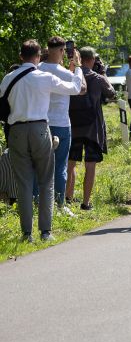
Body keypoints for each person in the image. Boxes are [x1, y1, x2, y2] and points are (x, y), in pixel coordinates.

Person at [1, 40, 85, 242]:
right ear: (39, 56)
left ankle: (26, 234)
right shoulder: (45, 77)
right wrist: (78, 66)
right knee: (47, 180)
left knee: (23, 183)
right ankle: (45, 232)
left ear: (21, 56)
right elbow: (75, 87)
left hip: (16, 132)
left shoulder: (8, 78)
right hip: (40, 129)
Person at [66, 47, 116, 211]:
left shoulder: (71, 75)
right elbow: (111, 93)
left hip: (72, 126)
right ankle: (86, 203)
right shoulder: (98, 78)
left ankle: (68, 199)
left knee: (70, 164)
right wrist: (104, 73)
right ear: (92, 59)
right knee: (90, 165)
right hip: (92, 129)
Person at [38, 36, 82, 215]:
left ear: (47, 50)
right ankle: (59, 205)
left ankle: (36, 203)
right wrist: (77, 67)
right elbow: (79, 87)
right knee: (60, 167)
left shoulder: (37, 69)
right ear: (63, 51)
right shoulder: (65, 73)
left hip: (42, 122)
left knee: (38, 166)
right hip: (62, 124)